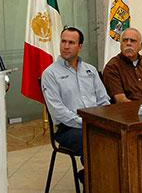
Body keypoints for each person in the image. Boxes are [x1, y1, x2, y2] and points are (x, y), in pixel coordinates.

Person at [41, 26, 110, 158]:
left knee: (118, 138)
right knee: (93, 140)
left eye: (71, 43)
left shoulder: (90, 70)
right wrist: (84, 122)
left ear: (80, 47)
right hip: (68, 128)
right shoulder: (50, 74)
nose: (66, 46)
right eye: (63, 41)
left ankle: (104, 176)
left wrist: (102, 121)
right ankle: (91, 177)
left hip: (95, 122)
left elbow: (103, 100)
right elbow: (58, 111)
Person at [103, 27, 142, 103]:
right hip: (130, 111)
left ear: (141, 46)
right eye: (125, 40)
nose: (128, 43)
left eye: (133, 41)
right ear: (120, 45)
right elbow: (120, 100)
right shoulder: (112, 67)